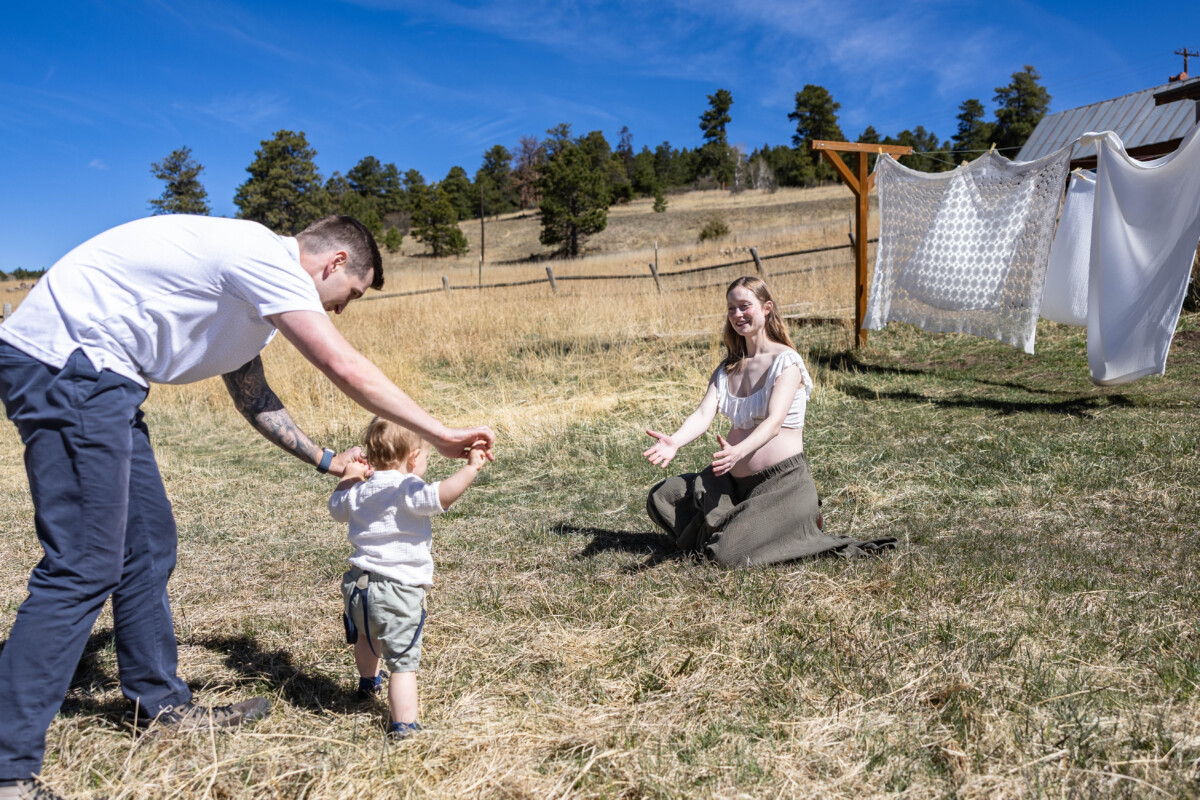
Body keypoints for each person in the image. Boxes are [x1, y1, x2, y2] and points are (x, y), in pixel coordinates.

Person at [0, 214, 493, 800]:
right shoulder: (263, 257)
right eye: (350, 295)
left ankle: (156, 706)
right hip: (71, 367)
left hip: (107, 380)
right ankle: (9, 768)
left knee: (148, 544)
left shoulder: (253, 298)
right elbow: (342, 364)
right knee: (84, 564)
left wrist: (327, 459)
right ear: (334, 262)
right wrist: (438, 434)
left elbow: (254, 396)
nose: (342, 309)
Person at [643, 276, 894, 567]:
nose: (737, 314)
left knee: (724, 556)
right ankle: (749, 526)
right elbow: (702, 415)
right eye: (731, 308)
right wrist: (675, 441)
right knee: (662, 496)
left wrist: (738, 451)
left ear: (766, 308)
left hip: (781, 483)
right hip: (732, 484)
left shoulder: (786, 361)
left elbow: (774, 422)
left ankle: (784, 524)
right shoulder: (728, 368)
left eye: (744, 306)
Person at [331, 417, 486, 740]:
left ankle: (367, 682)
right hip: (397, 591)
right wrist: (470, 469)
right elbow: (441, 496)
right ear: (413, 458)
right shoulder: (407, 487)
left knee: (364, 638)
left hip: (357, 587)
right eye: (426, 458)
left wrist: (348, 477)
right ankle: (403, 724)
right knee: (402, 661)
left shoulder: (359, 489)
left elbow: (336, 507)